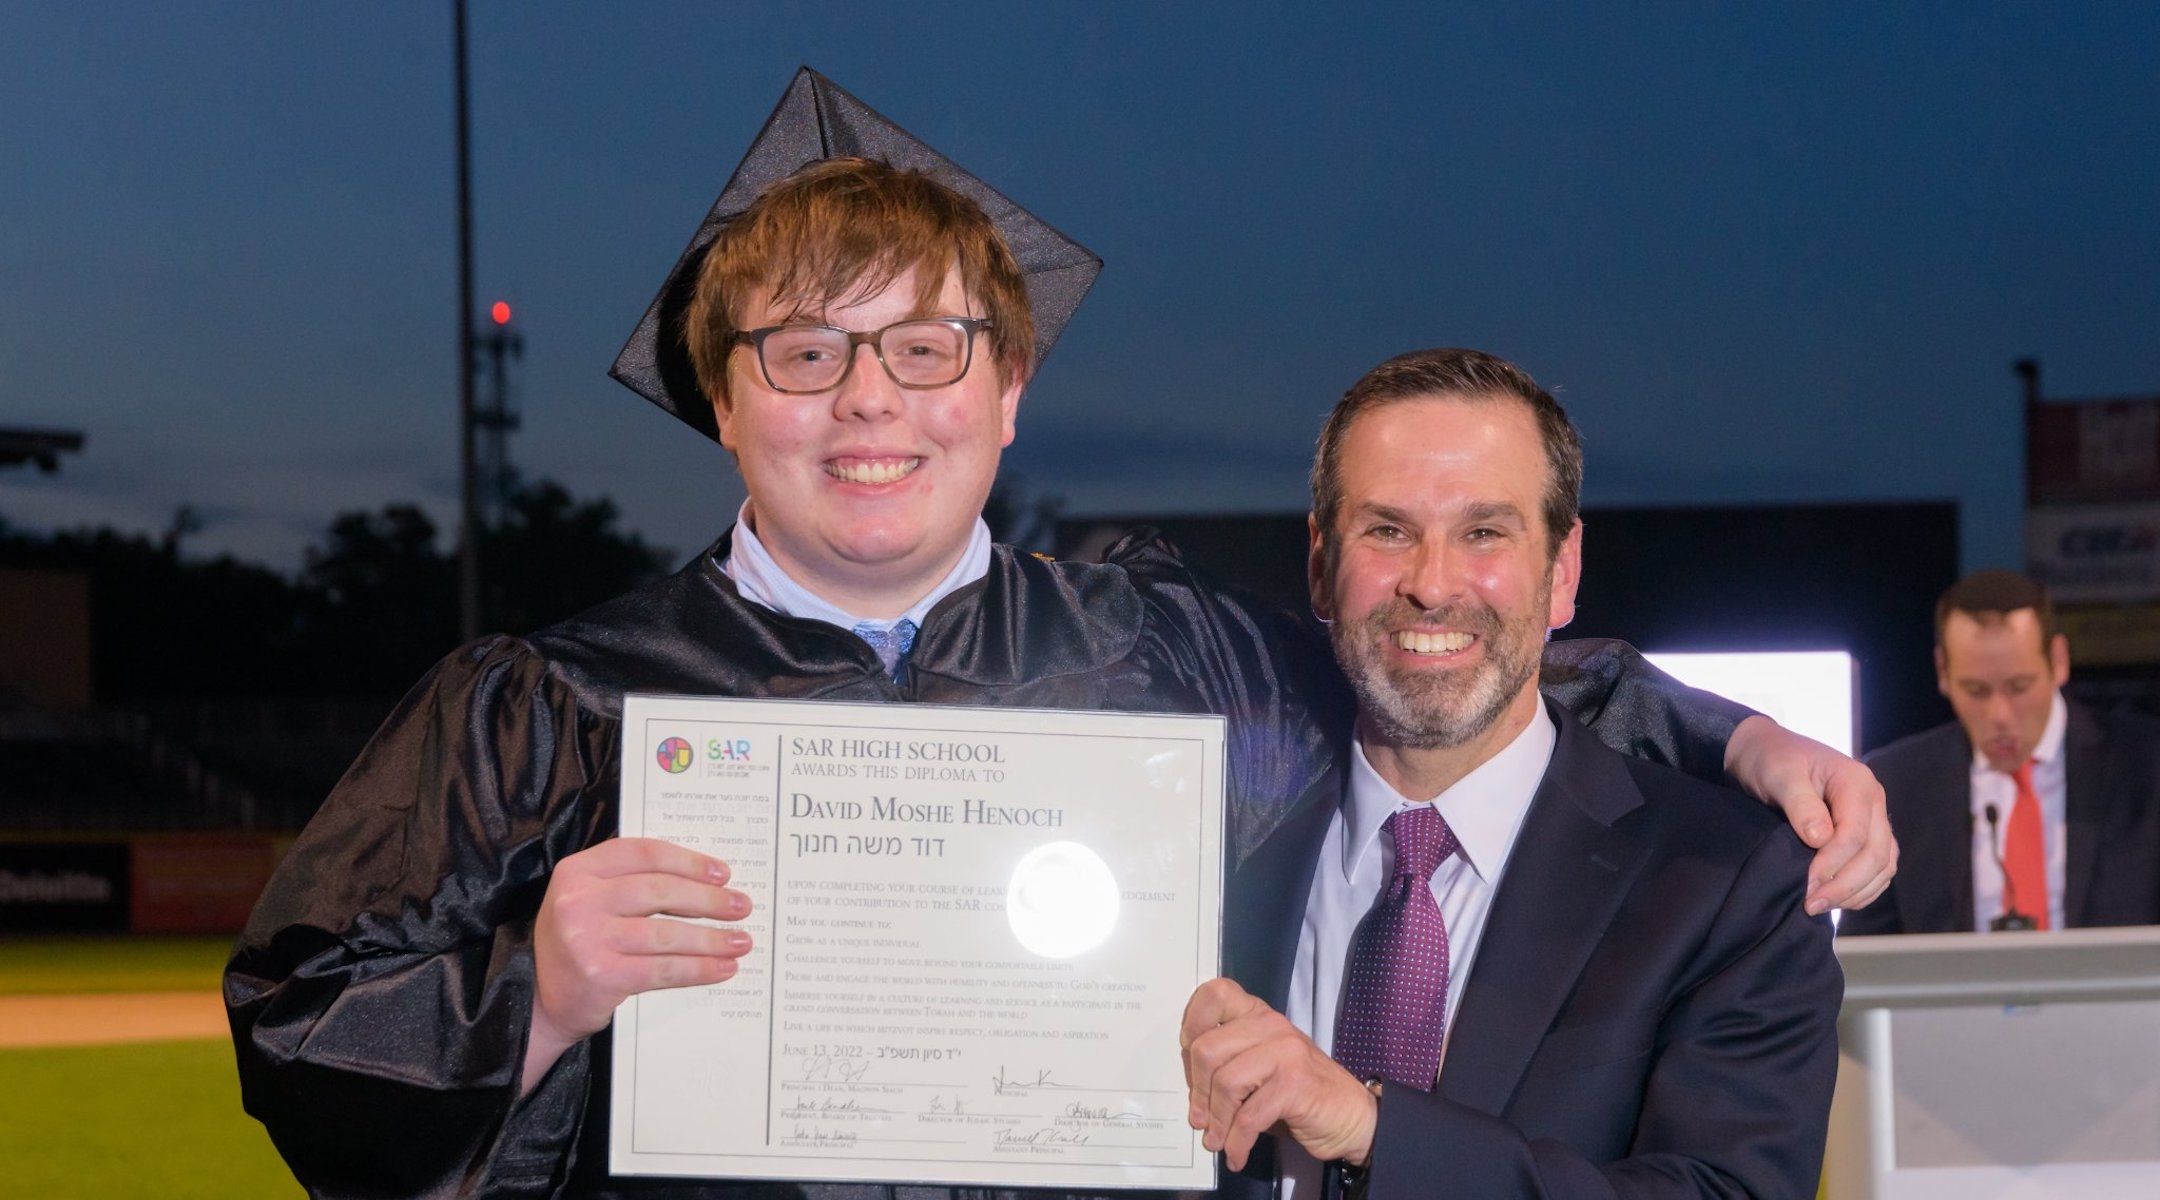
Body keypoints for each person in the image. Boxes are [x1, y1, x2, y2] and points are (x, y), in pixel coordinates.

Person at [227, 72, 1886, 1199]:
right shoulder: (546, 709)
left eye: (932, 350)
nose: (871, 400)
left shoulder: (1161, 652)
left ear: (1009, 396)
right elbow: (299, 1017)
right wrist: (542, 987)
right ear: (722, 400)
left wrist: (1736, 733)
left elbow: (1429, 656)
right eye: (804, 354)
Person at [1181, 348, 1841, 1200]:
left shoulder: (1731, 887)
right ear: (1320, 561)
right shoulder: (1214, 850)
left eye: (1484, 532)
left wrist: (1374, 1131)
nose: (1432, 584)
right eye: (1388, 530)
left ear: (1563, 571)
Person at [1839, 570, 2160, 935]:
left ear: (2058, 660)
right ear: (1943, 671)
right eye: (1976, 690)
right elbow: (1864, 961)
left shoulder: (2147, 767)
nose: (1999, 715)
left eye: (2019, 687)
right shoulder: (1894, 785)